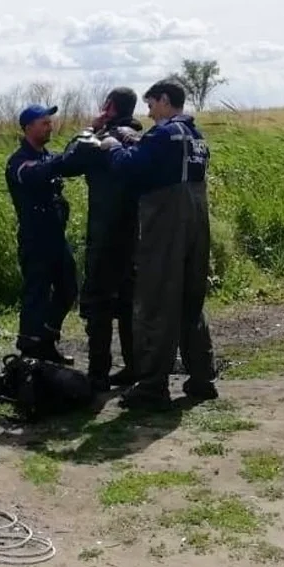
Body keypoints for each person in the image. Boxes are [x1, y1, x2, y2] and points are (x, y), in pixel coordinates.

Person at [96, 78, 219, 410]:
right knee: (190, 302)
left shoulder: (164, 134)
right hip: (197, 221)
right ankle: (202, 377)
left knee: (155, 301)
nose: (149, 114)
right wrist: (139, 141)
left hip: (167, 224)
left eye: (151, 106)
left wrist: (113, 146)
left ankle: (151, 386)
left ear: (165, 101)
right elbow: (161, 157)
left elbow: (131, 169)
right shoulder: (195, 135)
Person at [4, 104, 86, 365]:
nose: (50, 126)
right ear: (28, 128)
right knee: (36, 293)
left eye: (50, 122)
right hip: (35, 238)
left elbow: (67, 166)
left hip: (56, 237)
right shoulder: (18, 162)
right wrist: (66, 157)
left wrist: (89, 146)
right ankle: (29, 352)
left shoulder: (46, 156)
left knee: (68, 288)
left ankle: (47, 341)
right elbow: (38, 173)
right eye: (44, 123)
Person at [78, 87, 145, 391]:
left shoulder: (103, 138)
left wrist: (92, 126)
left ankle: (99, 372)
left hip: (105, 232)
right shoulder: (139, 138)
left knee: (98, 303)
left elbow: (71, 157)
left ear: (109, 106)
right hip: (133, 232)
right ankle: (134, 366)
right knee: (129, 302)